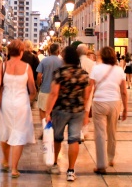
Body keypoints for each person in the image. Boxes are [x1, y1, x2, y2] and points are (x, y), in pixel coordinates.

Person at [0, 40, 36, 179]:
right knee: (19, 134)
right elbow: (33, 89)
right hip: (22, 103)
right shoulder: (27, 67)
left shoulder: (3, 66)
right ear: (22, 52)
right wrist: (29, 100)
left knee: (6, 131)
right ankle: (15, 169)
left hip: (6, 102)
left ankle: (5, 160)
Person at [45, 46, 90, 181]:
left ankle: (54, 164)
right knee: (74, 139)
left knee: (57, 137)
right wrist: (85, 112)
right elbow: (86, 95)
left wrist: (48, 112)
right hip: (77, 110)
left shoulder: (59, 73)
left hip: (60, 109)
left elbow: (54, 93)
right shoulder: (83, 73)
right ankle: (71, 170)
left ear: (65, 58)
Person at [90, 47, 128, 174]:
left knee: (100, 133)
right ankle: (111, 158)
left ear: (102, 56)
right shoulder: (119, 70)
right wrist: (126, 108)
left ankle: (101, 164)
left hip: (99, 102)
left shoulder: (96, 68)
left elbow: (90, 88)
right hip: (114, 102)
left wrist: (87, 105)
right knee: (112, 131)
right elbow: (123, 91)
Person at [36, 43, 63, 123]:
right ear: (58, 51)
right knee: (55, 111)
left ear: (48, 51)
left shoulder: (44, 61)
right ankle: (54, 128)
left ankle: (45, 128)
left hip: (45, 89)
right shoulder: (61, 62)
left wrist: (39, 84)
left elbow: (39, 75)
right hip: (58, 91)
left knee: (42, 110)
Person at [77, 44, 95, 141]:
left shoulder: (75, 62)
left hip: (77, 88)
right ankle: (85, 130)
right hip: (89, 87)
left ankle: (79, 131)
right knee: (87, 108)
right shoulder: (91, 63)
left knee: (78, 109)